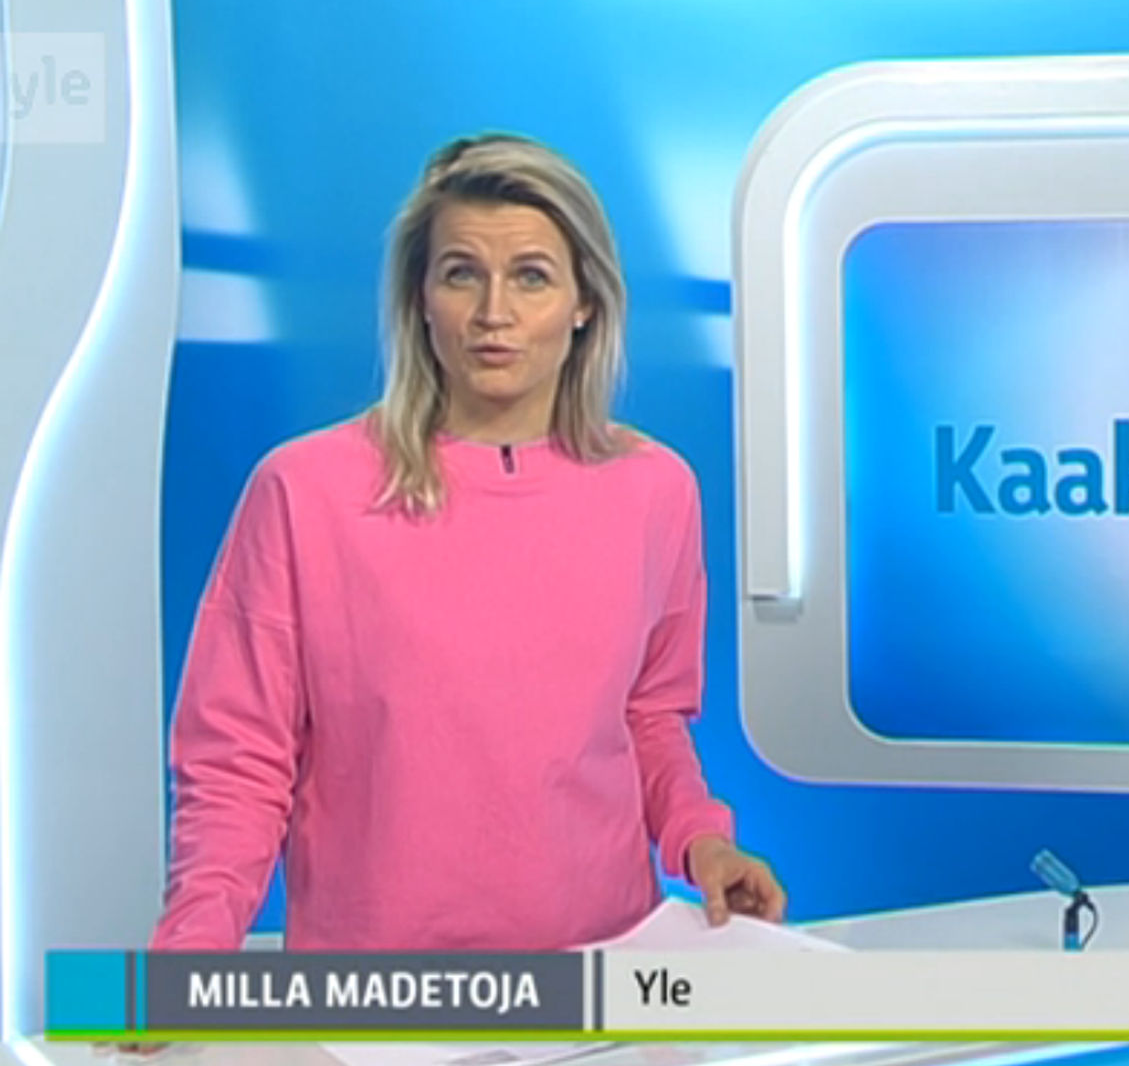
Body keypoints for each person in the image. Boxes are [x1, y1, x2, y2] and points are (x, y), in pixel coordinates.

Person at [148, 133, 784, 953]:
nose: (493, 313)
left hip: (601, 977)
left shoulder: (655, 488)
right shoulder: (305, 492)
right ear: (420, 297)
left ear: (585, 302)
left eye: (531, 277)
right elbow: (237, 764)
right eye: (461, 274)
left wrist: (702, 840)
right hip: (380, 991)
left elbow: (650, 717)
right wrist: (191, 955)